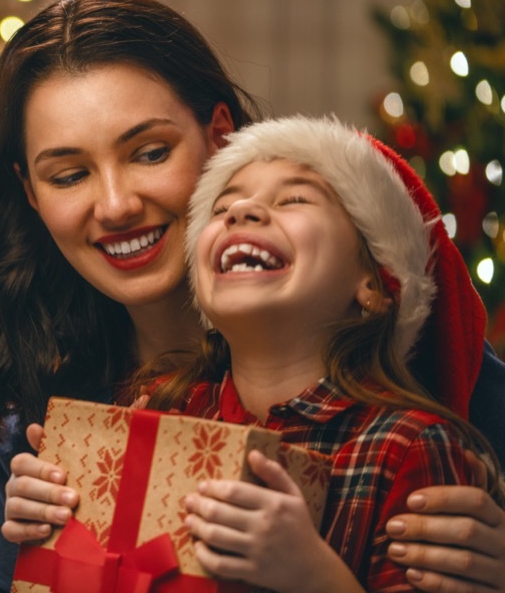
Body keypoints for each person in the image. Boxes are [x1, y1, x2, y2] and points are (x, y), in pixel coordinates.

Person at [0, 0, 505, 593]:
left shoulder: (427, 389)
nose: (117, 205)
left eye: (150, 152)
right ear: (32, 194)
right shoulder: (57, 406)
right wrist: (38, 554)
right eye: (69, 175)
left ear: (220, 138)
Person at [148, 115, 501, 590]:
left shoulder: (409, 448)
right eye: (223, 206)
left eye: (294, 199)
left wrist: (315, 577)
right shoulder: (162, 412)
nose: (241, 212)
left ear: (376, 284)